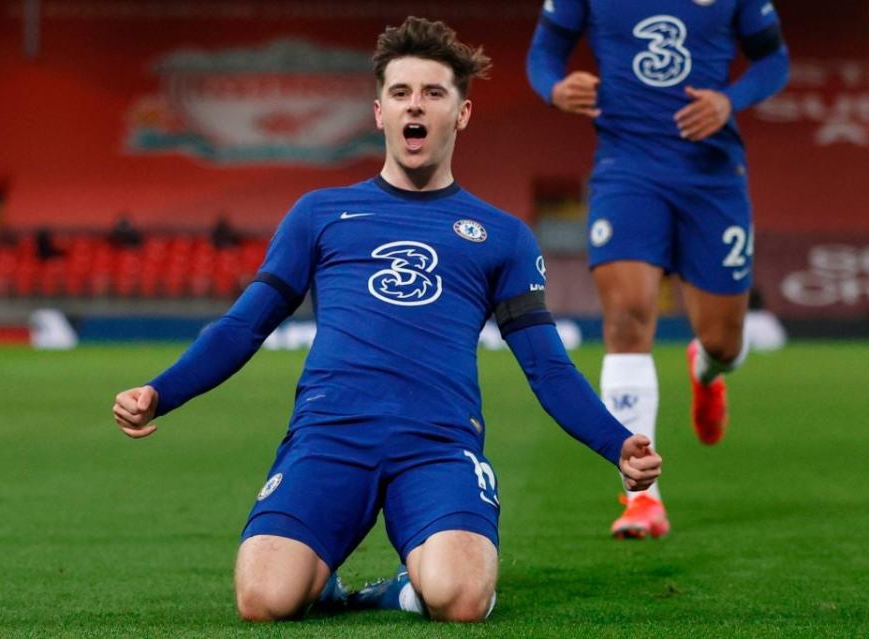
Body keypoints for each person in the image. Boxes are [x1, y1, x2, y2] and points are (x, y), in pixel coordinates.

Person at [113, 16, 662, 623]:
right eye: (400, 93)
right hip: (329, 438)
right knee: (263, 600)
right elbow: (244, 326)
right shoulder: (319, 213)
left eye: (433, 93)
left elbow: (547, 367)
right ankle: (319, 581)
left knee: (461, 599)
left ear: (462, 113)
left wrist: (616, 443)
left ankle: (401, 587)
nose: (414, 106)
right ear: (379, 113)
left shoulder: (503, 236)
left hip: (438, 445)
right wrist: (161, 392)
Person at [527, 1, 789, 538]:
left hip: (712, 174)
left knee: (723, 342)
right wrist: (553, 89)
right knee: (626, 318)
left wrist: (729, 100)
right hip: (627, 168)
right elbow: (544, 53)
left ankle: (706, 369)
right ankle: (641, 498)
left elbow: (774, 61)